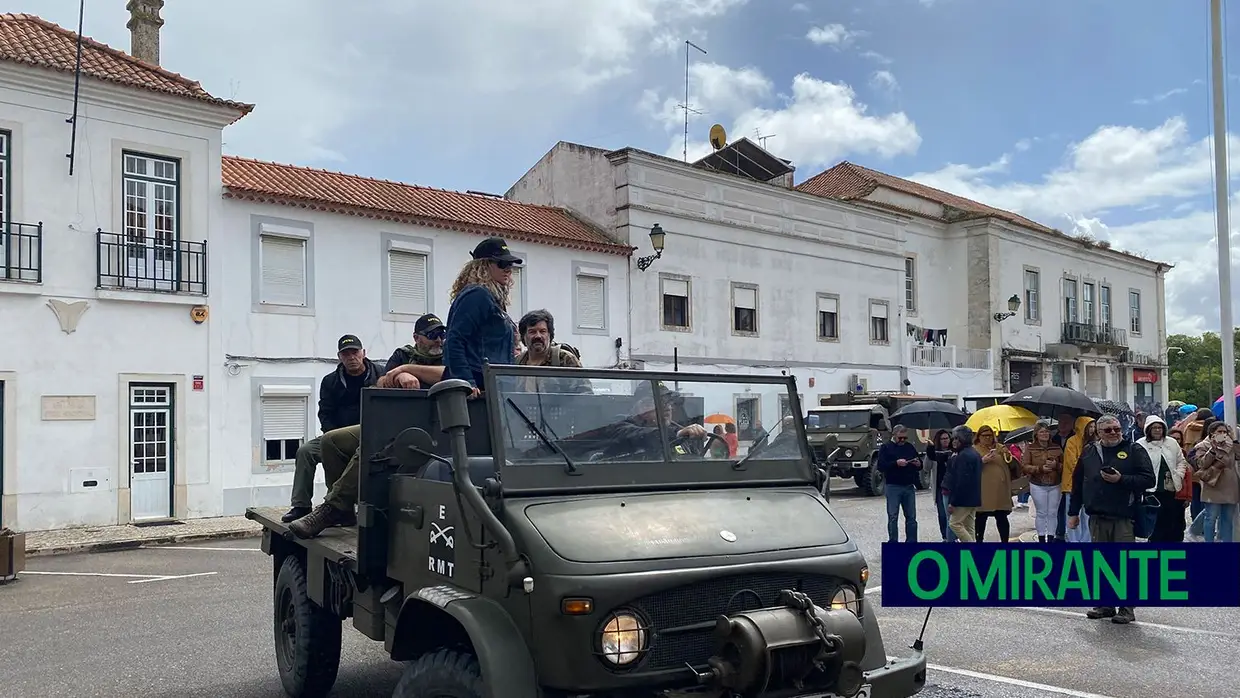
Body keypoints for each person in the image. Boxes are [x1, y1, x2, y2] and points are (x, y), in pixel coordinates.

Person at [283, 334, 381, 523]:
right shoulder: (330, 381)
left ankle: (338, 507)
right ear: (339, 357)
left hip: (372, 436)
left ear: (364, 352)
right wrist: (332, 437)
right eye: (346, 354)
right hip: (336, 435)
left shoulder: (381, 375)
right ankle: (301, 505)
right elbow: (325, 413)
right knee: (305, 451)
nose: (351, 357)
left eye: (355, 352)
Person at [1068, 414, 1154, 625]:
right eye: (1108, 430)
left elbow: (1148, 479)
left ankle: (1127, 608)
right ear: (1098, 433)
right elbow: (1078, 483)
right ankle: (1106, 605)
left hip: (1123, 517)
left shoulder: (1134, 450)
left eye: (1116, 428)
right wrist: (1073, 513)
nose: (1114, 433)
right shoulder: (1089, 452)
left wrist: (1121, 479)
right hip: (1096, 516)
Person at [444, 237, 521, 395]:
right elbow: (455, 340)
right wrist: (467, 382)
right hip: (480, 384)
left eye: (510, 265)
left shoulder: (491, 298)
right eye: (502, 264)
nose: (508, 269)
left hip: (494, 382)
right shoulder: (478, 295)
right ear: (483, 266)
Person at [1135, 415, 1189, 542]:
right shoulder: (1140, 444)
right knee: (1156, 525)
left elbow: (1181, 461)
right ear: (1148, 429)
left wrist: (1179, 474)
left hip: (1172, 489)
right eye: (1154, 428)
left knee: (1174, 524)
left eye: (1160, 427)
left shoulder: (1172, 443)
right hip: (1152, 492)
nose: (1157, 430)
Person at [514, 309, 591, 394]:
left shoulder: (565, 359)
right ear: (524, 336)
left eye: (543, 331)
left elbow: (585, 394)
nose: (538, 336)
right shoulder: (517, 363)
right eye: (532, 332)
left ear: (550, 335)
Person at [1192, 421, 1240, 542]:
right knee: (1211, 517)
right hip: (1213, 485)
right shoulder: (1203, 445)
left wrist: (1234, 440)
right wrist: (1212, 450)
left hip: (1230, 485)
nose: (1223, 434)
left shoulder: (1231, 445)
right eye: (1219, 431)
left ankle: (1227, 546)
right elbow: (1202, 464)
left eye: (1225, 432)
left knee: (1227, 519)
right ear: (1211, 433)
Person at [378, 313, 447, 389]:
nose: (438, 340)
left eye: (442, 335)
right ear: (416, 338)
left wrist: (406, 369)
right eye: (432, 335)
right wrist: (398, 376)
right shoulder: (403, 354)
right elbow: (381, 382)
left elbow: (448, 375)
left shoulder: (449, 356)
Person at [877, 424, 921, 543]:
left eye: (904, 438)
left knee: (911, 517)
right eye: (900, 438)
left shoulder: (909, 447)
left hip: (908, 486)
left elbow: (919, 463)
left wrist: (918, 464)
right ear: (894, 435)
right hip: (893, 486)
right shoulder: (886, 447)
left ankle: (911, 542)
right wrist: (896, 463)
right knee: (893, 516)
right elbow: (880, 466)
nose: (902, 440)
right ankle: (893, 542)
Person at [1021, 422, 1063, 543]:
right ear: (1036, 434)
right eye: (1042, 432)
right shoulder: (1031, 448)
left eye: (1046, 431)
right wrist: (1039, 469)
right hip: (1037, 483)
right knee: (1041, 512)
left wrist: (1056, 465)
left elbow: (1065, 466)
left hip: (1055, 483)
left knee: (1052, 512)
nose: (1045, 434)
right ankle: (1041, 538)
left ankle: (1050, 538)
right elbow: (1024, 466)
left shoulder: (1056, 447)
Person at [974, 425, 1015, 542]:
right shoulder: (974, 449)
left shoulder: (1000, 447)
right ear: (979, 436)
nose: (988, 438)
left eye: (990, 435)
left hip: (1000, 490)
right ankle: (978, 542)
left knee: (1001, 516)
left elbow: (1011, 464)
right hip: (983, 490)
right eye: (984, 435)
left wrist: (1006, 454)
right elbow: (969, 468)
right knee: (981, 517)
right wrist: (982, 461)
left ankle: (1004, 543)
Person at [1061, 417, 1097, 543]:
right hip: (1072, 485)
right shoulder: (1072, 441)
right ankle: (1073, 541)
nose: (1092, 429)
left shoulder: (1095, 442)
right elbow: (1072, 464)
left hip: (1090, 485)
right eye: (1090, 427)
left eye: (1094, 426)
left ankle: (1086, 541)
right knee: (1072, 514)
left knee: (1087, 516)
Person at [944, 425, 983, 542]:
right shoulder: (974, 453)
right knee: (969, 527)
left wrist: (953, 502)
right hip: (974, 497)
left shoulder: (963, 456)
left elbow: (960, 481)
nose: (954, 441)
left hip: (963, 499)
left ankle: (972, 548)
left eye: (956, 438)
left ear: (963, 439)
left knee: (954, 524)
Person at [925, 430, 953, 542]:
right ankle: (945, 537)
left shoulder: (954, 452)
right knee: (942, 514)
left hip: (952, 487)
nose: (945, 440)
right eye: (943, 439)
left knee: (953, 515)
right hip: (940, 487)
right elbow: (926, 468)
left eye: (947, 438)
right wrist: (929, 452)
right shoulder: (935, 453)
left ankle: (952, 537)